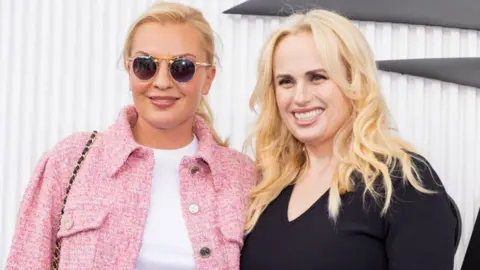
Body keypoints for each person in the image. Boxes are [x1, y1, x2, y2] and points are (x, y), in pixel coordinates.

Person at [6, 2, 254, 269]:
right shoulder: (69, 162)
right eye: (145, 65)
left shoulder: (243, 178)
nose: (161, 82)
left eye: (182, 67)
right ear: (129, 71)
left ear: (208, 78)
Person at [240, 9, 458, 270]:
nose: (300, 97)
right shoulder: (265, 188)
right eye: (286, 82)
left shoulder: (403, 183)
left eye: (317, 77)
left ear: (355, 81)